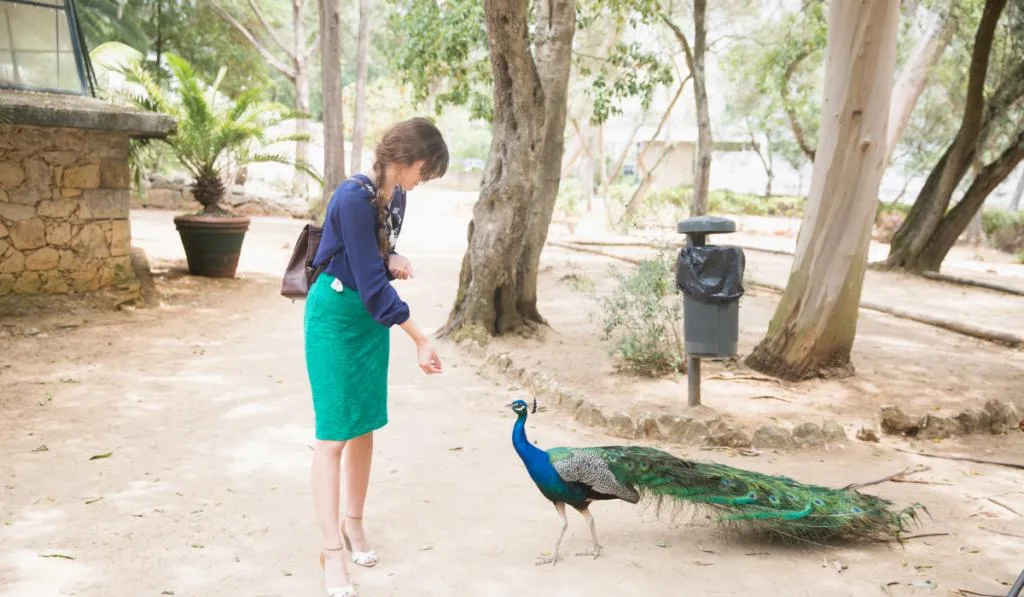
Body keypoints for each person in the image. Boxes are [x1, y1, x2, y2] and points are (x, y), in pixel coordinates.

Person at [303, 117, 449, 597]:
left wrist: (392, 259)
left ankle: (354, 523)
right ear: (406, 159)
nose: (421, 182)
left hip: (368, 321)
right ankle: (331, 554)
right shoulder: (352, 196)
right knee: (332, 436)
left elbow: (369, 258)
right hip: (336, 317)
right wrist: (420, 338)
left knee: (364, 424)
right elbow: (370, 287)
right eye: (423, 171)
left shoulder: (396, 197)